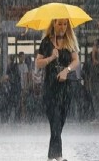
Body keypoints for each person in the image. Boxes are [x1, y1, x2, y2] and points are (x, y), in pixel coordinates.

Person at [36, 18, 79, 161]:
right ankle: (59, 156)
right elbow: (38, 63)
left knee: (60, 121)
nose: (62, 27)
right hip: (50, 87)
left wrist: (66, 70)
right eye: (59, 24)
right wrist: (51, 57)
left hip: (66, 88)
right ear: (53, 24)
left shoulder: (70, 42)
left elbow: (76, 61)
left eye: (65, 24)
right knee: (54, 120)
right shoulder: (46, 42)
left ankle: (51, 156)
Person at [17, 52, 29, 122]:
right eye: (21, 57)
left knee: (22, 102)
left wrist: (25, 86)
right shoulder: (17, 66)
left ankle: (23, 116)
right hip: (18, 86)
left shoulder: (25, 66)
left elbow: (25, 77)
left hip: (22, 86)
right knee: (20, 102)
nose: (22, 58)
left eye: (23, 57)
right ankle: (21, 116)